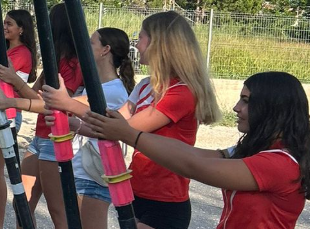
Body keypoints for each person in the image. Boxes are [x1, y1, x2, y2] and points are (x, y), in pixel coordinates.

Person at [86, 71, 309, 229]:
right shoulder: (258, 150)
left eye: (246, 100)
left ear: (272, 108)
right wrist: (130, 134)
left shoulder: (280, 163)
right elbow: (192, 154)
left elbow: (193, 166)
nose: (236, 107)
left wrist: (129, 134)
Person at [99, 10, 220, 229]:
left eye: (142, 36)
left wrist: (70, 106)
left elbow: (123, 128)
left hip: (165, 200)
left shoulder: (181, 92)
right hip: (137, 190)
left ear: (160, 43)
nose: (136, 43)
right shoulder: (146, 85)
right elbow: (115, 119)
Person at [0, 3, 83, 229]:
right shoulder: (55, 59)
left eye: (49, 22)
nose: (44, 28)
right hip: (40, 138)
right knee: (22, 202)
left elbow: (53, 106)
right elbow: (35, 95)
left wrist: (14, 81)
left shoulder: (72, 64)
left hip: (55, 139)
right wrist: (11, 76)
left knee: (58, 211)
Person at [40, 27, 137, 229]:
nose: (84, 47)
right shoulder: (96, 87)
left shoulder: (111, 91)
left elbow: (61, 104)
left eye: (91, 42)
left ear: (105, 50)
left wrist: (14, 92)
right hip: (83, 171)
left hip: (93, 174)